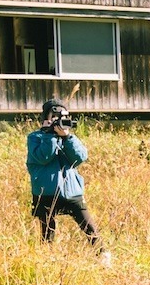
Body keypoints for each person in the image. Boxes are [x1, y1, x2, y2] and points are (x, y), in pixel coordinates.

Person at [26, 100, 107, 257]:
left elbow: (80, 158)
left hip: (71, 191)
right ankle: (47, 260)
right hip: (46, 191)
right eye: (54, 116)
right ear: (45, 117)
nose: (58, 121)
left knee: (89, 226)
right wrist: (49, 135)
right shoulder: (35, 137)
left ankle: (102, 256)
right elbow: (43, 157)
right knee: (47, 230)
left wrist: (67, 137)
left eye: (62, 117)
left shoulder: (69, 137)